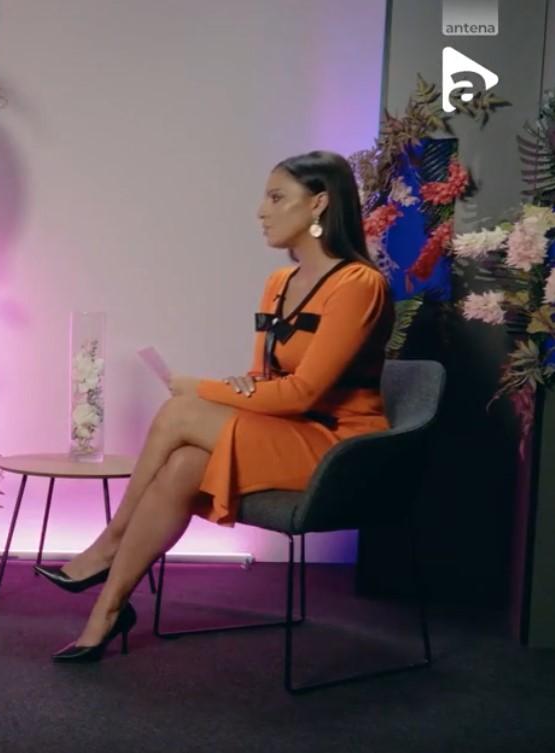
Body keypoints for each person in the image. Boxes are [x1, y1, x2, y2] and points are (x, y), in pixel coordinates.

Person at [37, 150, 392, 662]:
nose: (261, 211)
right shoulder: (279, 284)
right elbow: (267, 378)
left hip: (338, 446)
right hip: (287, 431)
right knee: (184, 464)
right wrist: (241, 387)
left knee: (182, 410)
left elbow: (303, 394)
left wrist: (203, 388)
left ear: (319, 204)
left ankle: (111, 541)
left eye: (276, 198)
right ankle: (107, 612)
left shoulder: (359, 285)